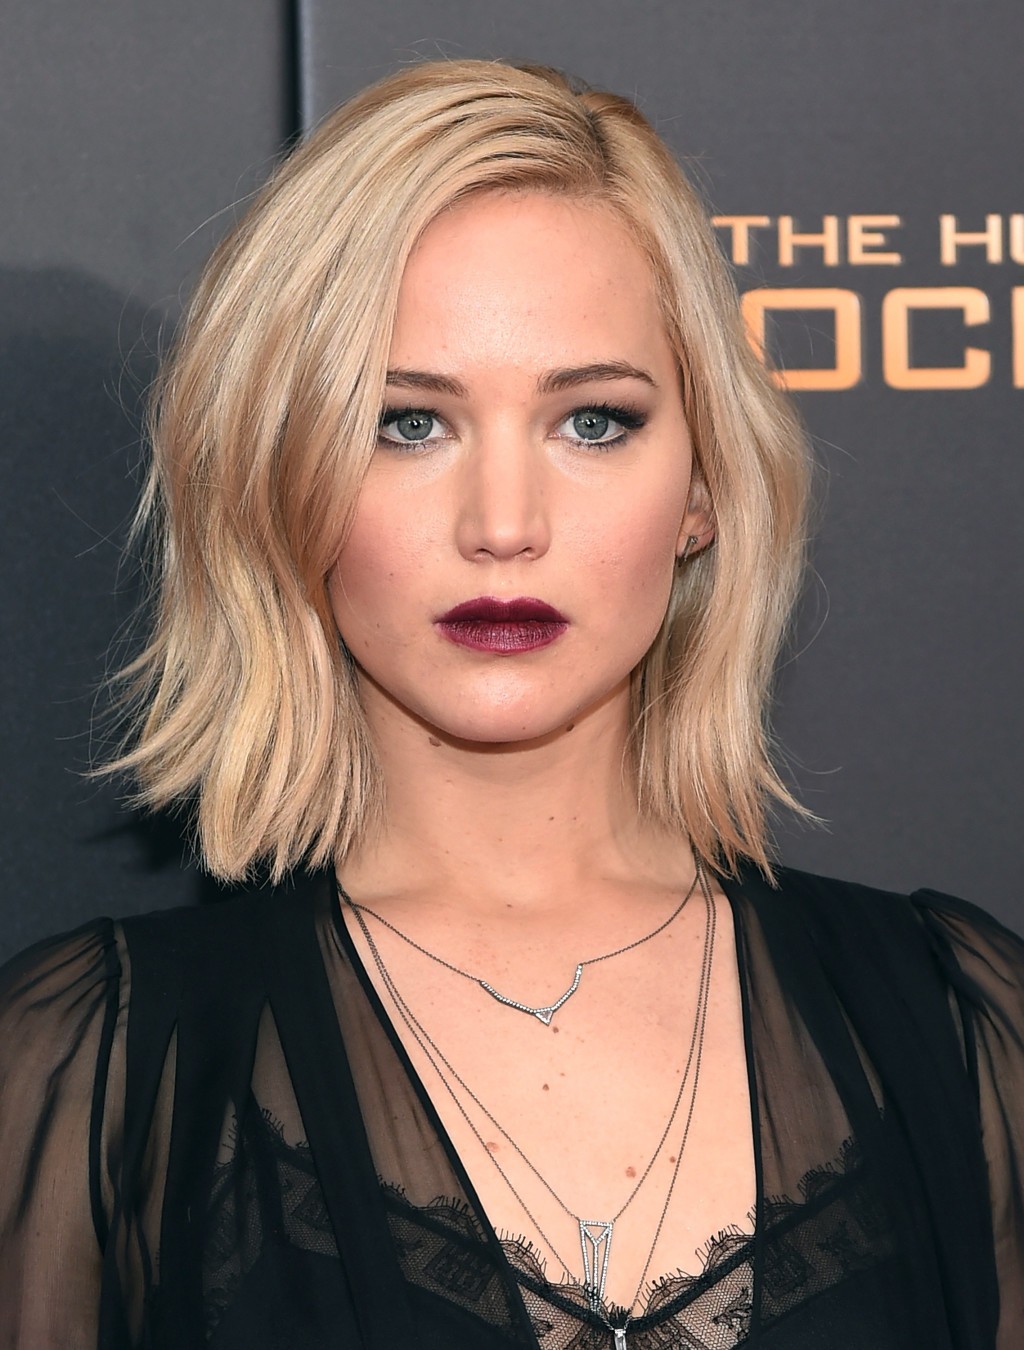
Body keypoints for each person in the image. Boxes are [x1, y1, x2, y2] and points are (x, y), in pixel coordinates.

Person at [0, 59, 1021, 1350]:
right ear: (278, 480)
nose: (502, 524)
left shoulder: (960, 1023)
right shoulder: (95, 1069)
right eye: (407, 423)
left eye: (593, 422)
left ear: (703, 487)